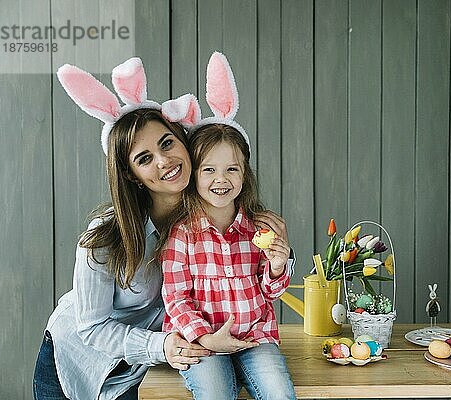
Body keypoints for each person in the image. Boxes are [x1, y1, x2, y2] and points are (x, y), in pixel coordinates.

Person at [33, 57, 293, 400]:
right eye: (144, 158)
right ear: (131, 175)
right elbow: (92, 328)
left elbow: (250, 266)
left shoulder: (217, 210)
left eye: (167, 143)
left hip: (149, 364)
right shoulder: (104, 238)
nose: (164, 161)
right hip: (80, 363)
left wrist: (281, 255)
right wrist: (166, 344)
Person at [160, 52, 295, 400]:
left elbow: (271, 293)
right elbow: (175, 297)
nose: (221, 180)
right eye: (209, 170)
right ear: (194, 175)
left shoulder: (259, 227)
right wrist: (205, 337)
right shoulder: (183, 233)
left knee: (280, 393)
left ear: (244, 174)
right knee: (217, 393)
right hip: (202, 339)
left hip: (256, 337)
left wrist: (278, 264)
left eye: (231, 169)